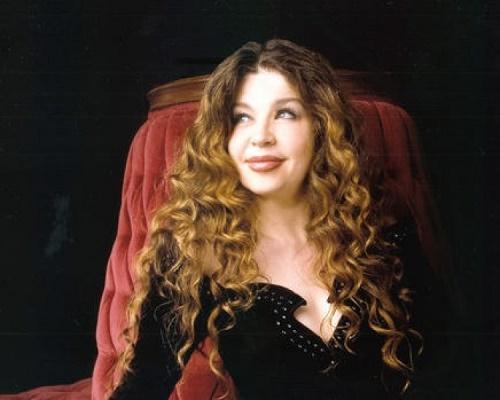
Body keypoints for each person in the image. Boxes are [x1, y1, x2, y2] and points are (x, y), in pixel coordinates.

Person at [109, 39, 425, 399]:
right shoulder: (195, 253)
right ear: (221, 138)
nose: (260, 137)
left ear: (321, 126)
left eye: (285, 113)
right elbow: (142, 388)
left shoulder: (384, 236)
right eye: (240, 117)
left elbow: (448, 371)